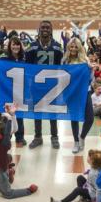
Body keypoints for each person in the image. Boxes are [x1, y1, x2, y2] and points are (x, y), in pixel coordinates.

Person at [25, 20, 63, 149]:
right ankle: (38, 137)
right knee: (37, 112)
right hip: (36, 86)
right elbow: (28, 67)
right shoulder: (32, 46)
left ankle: (54, 136)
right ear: (39, 29)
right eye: (43, 27)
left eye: (47, 27)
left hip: (52, 85)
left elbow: (61, 67)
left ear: (51, 30)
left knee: (52, 112)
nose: (45, 29)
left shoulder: (58, 46)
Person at [0, 104, 38, 199]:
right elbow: (1, 126)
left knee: (8, 194)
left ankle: (29, 190)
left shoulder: (4, 144)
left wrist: (11, 118)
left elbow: (7, 132)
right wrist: (8, 114)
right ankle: (8, 174)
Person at [62, 37, 94, 153]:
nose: (73, 48)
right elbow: (63, 78)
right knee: (74, 117)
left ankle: (82, 137)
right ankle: (75, 141)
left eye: (76, 46)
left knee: (90, 118)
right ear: (68, 47)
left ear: (80, 47)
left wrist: (91, 71)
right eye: (72, 46)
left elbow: (90, 79)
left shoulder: (85, 60)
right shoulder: (65, 60)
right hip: (71, 93)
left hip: (85, 91)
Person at [0, 36, 27, 147]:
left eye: (17, 44)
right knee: (8, 114)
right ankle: (7, 136)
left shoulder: (24, 59)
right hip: (7, 91)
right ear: (9, 46)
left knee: (19, 113)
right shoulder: (4, 58)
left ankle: (19, 138)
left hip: (20, 91)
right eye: (13, 44)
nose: (16, 46)